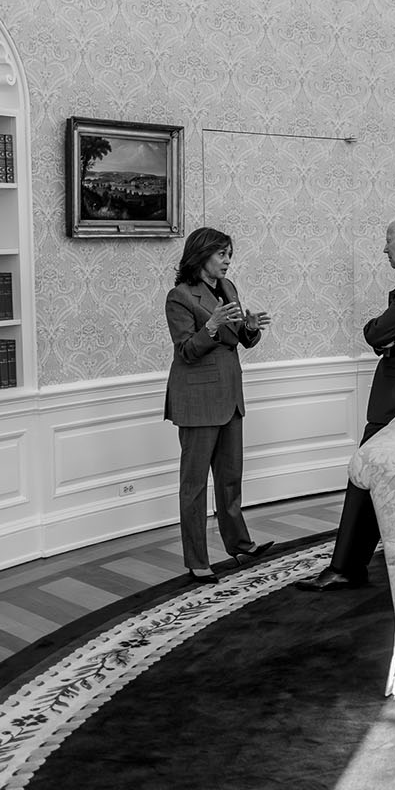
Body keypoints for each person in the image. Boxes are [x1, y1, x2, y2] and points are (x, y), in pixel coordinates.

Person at [300, 214, 395, 591]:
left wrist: (380, 332)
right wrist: (388, 334)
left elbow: (377, 330)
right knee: (369, 478)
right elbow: (393, 334)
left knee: (362, 474)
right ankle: (350, 564)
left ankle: (345, 568)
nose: (384, 249)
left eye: (388, 241)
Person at [164, 227, 275, 584]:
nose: (228, 261)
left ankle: (240, 544)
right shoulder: (179, 297)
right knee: (194, 486)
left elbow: (240, 340)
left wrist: (251, 329)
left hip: (229, 396)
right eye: (222, 254)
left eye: (230, 254)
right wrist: (210, 326)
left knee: (230, 479)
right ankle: (197, 561)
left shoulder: (229, 288)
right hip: (197, 399)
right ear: (201, 256)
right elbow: (187, 351)